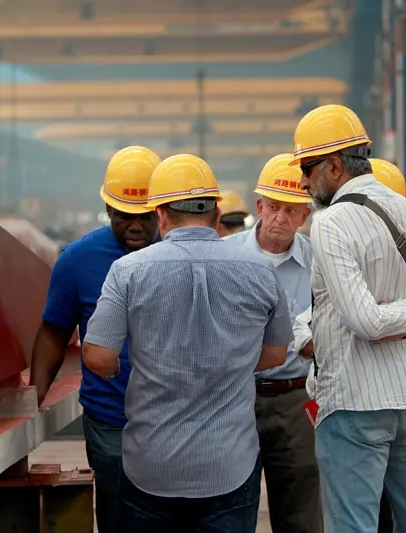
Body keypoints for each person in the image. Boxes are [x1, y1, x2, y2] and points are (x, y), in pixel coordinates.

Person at [80, 153, 294, 533]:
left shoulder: (128, 271)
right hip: (230, 464)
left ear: (160, 216)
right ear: (216, 216)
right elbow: (276, 354)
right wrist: (234, 362)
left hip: (151, 464)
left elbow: (98, 355)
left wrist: (117, 368)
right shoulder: (260, 270)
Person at [292, 104, 406, 533]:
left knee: (353, 525)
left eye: (308, 167)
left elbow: (367, 323)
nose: (303, 181)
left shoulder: (331, 222)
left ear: (335, 166)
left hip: (358, 400)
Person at [29, 145, 160, 533]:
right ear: (107, 210)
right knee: (119, 516)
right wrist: (33, 399)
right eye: (123, 216)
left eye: (143, 217)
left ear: (161, 211)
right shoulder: (77, 261)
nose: (135, 226)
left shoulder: (180, 255)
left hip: (172, 419)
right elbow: (54, 330)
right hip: (110, 420)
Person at [295, 155, 406, 533]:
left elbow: (367, 322)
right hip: (388, 400)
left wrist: (402, 319)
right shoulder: (337, 242)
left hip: (361, 401)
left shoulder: (332, 230)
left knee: (361, 517)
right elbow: (309, 319)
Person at [224, 153, 319, 533]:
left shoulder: (319, 262)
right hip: (236, 398)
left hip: (298, 399)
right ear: (258, 207)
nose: (280, 217)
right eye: (273, 207)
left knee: (302, 507)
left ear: (304, 216)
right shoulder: (226, 258)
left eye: (291, 209)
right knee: (230, 505)